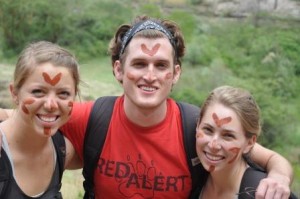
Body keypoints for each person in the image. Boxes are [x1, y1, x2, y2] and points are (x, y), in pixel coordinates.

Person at [0, 16, 293, 198]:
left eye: (161, 65)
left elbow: (262, 156)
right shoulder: (92, 117)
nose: (149, 76)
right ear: (118, 69)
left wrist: (280, 175)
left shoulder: (197, 128)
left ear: (175, 73)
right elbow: (28, 115)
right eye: (139, 64)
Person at [0, 41, 82, 198]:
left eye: (63, 93)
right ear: (15, 93)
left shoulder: (64, 150)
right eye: (38, 91)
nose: (51, 105)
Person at [191, 85, 297, 199]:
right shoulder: (195, 176)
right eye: (208, 130)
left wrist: (280, 176)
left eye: (228, 135)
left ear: (250, 143)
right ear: (197, 126)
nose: (213, 145)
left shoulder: (265, 194)